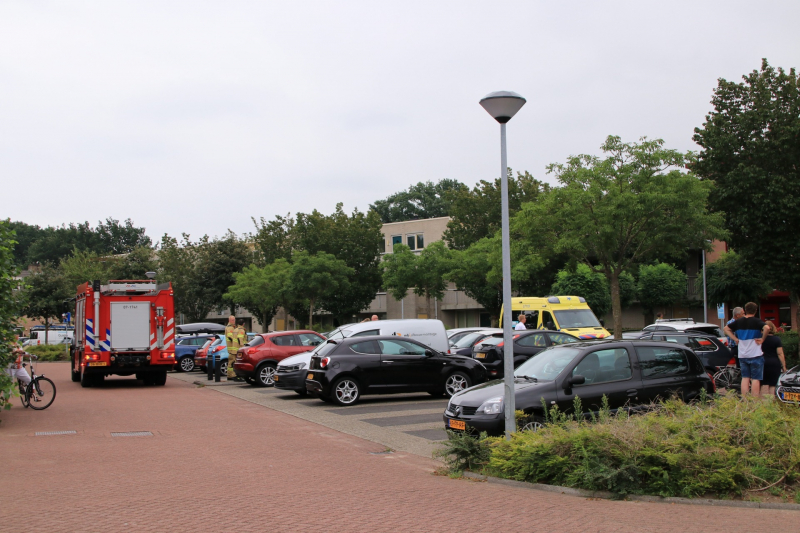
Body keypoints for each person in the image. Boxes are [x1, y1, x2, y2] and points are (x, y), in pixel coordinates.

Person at [724, 302, 770, 396]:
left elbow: (726, 329)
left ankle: (745, 400)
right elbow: (767, 328)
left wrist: (735, 339)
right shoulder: (757, 321)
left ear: (745, 310)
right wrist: (762, 339)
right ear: (755, 311)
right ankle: (754, 399)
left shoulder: (738, 322)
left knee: (745, 378)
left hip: (743, 355)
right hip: (755, 354)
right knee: (755, 379)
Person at [760, 320, 787, 397]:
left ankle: (761, 400)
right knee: (773, 384)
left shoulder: (760, 339)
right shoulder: (776, 339)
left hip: (762, 362)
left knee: (761, 383)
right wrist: (784, 366)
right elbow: (780, 353)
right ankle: (771, 400)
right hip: (774, 363)